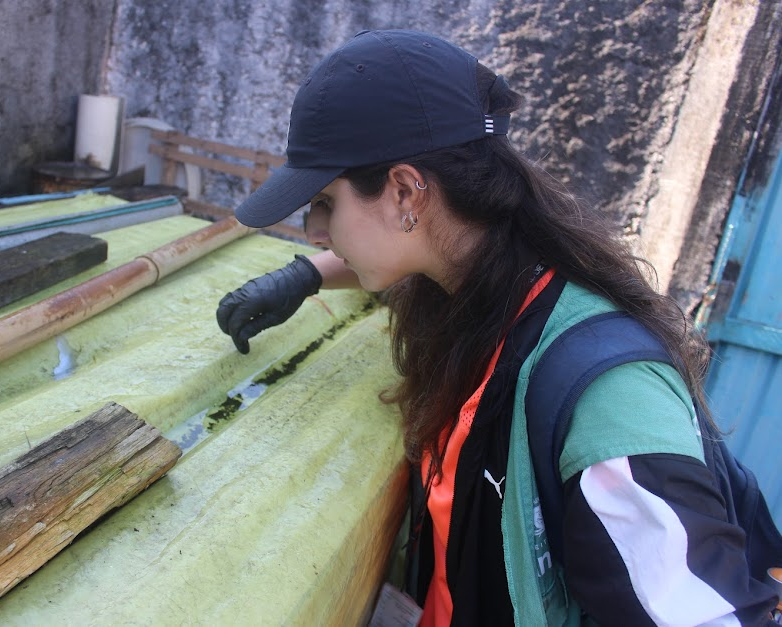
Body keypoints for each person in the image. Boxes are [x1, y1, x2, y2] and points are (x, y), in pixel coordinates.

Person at [215, 29, 780, 626]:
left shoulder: (606, 398)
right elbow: (401, 256)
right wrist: (306, 275)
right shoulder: (484, 275)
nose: (314, 230)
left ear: (405, 191)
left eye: (325, 201)